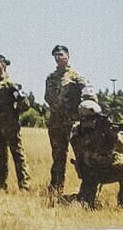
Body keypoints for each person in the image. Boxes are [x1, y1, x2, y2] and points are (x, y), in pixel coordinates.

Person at [69, 98, 123, 207]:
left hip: (108, 168)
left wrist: (113, 136)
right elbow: (78, 145)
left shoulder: (107, 128)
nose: (93, 122)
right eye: (90, 119)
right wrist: (94, 134)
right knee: (86, 204)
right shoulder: (78, 130)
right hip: (90, 171)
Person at [45, 44, 87, 191]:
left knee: (81, 156)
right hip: (56, 123)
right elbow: (47, 97)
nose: (58, 57)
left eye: (61, 54)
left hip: (73, 123)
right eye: (56, 55)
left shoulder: (75, 77)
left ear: (68, 56)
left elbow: (88, 95)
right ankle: (56, 187)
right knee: (58, 156)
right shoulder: (50, 78)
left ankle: (87, 188)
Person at [0, 53, 31, 190]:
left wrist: (15, 112)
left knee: (17, 153)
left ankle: (24, 184)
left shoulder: (11, 84)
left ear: (4, 65)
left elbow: (25, 105)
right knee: (0, 154)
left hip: (10, 125)